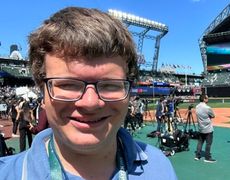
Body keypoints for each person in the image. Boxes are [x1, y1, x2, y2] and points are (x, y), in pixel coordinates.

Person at [0, 7, 177, 180]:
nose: (90, 103)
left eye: (109, 85)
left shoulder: (159, 166)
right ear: (42, 92)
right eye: (68, 85)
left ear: (129, 91)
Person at [194, 94, 216, 163]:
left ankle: (197, 156)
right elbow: (213, 115)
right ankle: (207, 157)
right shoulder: (207, 107)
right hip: (208, 128)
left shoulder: (197, 107)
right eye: (207, 98)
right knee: (208, 143)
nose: (208, 99)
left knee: (200, 142)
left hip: (200, 127)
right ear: (204, 99)